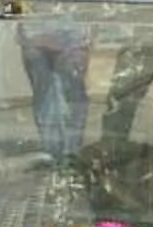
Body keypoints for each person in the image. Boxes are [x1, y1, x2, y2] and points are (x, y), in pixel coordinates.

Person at [17, 15, 96, 164]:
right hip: (35, 27)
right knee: (45, 96)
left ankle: (70, 156)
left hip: (73, 28)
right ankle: (54, 156)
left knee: (73, 94)